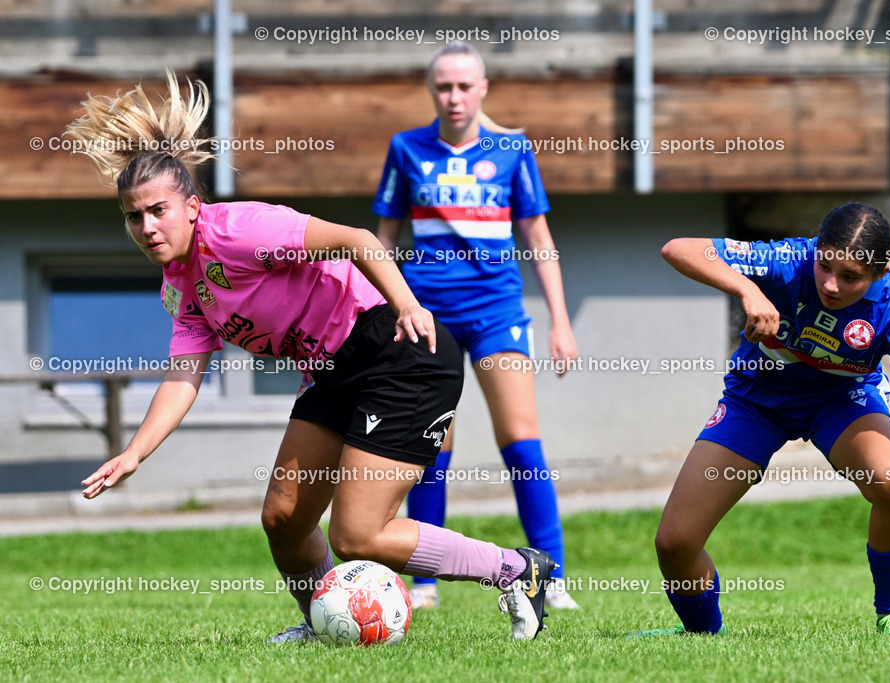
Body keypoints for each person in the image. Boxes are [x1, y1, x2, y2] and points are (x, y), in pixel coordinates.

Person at [67, 70, 558, 642]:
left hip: (397, 353)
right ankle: (324, 623)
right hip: (330, 373)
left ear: (193, 207)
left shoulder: (241, 232)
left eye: (159, 211)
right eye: (134, 216)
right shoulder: (181, 284)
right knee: (284, 518)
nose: (147, 227)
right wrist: (133, 454)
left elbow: (360, 240)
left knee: (359, 535)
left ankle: (520, 569)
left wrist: (407, 304)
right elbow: (183, 377)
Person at [639, 203, 890, 637]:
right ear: (816, 249)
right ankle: (700, 634)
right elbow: (677, 249)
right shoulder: (788, 260)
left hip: (841, 401)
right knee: (674, 542)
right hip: (756, 403)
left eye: (850, 277)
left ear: (880, 273)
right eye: (825, 266)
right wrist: (748, 290)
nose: (831, 284)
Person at [372, 41, 580, 610]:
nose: (454, 96)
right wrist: (383, 311)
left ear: (483, 88)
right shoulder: (406, 148)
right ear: (430, 89)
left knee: (521, 442)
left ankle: (552, 577)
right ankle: (425, 582)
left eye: (465, 86)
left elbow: (538, 238)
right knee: (431, 449)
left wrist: (560, 321)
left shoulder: (512, 149)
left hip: (498, 313)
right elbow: (383, 241)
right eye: (444, 86)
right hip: (427, 317)